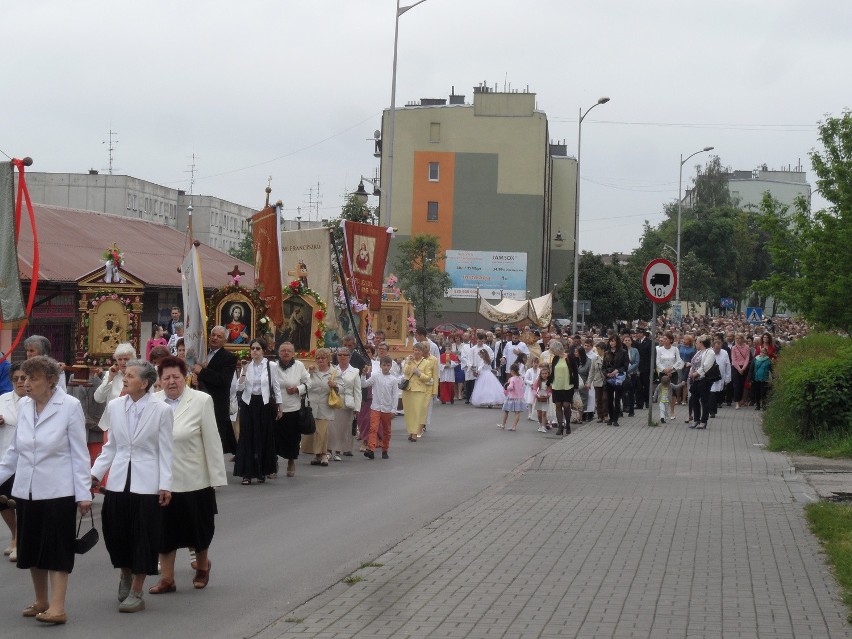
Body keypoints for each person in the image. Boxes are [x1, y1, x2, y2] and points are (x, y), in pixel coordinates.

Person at [0, 356, 91, 625]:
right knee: (31, 548)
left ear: (51, 380)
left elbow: (79, 452)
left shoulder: (69, 406)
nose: (27, 384)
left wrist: (84, 493)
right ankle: (41, 600)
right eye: (25, 378)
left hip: (58, 491)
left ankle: (57, 607)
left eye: (34, 378)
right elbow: (14, 452)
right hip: (27, 490)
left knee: (57, 549)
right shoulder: (25, 407)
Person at [91, 359, 173, 613]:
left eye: (130, 375)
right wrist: (94, 475)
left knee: (143, 536)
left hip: (147, 483)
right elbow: (111, 446)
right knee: (117, 532)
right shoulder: (115, 406)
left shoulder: (161, 410)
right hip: (118, 481)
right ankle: (125, 573)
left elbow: (166, 451)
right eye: (124, 375)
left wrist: (165, 485)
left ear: (145, 383)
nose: (124, 379)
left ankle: (137, 589)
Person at [149, 357, 226, 594]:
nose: (171, 382)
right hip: (163, 481)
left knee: (198, 529)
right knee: (164, 531)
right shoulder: (152, 402)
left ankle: (202, 567)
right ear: (159, 381)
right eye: (166, 378)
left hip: (195, 479)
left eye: (176, 377)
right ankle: (167, 579)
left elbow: (212, 441)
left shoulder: (201, 401)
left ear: (186, 378)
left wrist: (216, 478)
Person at [235, 339, 283, 485]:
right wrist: (243, 371)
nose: (254, 351)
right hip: (248, 403)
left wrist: (280, 406)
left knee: (263, 437)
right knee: (247, 437)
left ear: (263, 350)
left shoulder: (271, 366)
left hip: (264, 404)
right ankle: (247, 473)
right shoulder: (247, 366)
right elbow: (239, 388)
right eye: (252, 348)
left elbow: (276, 386)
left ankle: (262, 471)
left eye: (257, 348)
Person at [194, 326, 238, 455]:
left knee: (215, 444)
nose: (214, 338)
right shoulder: (200, 353)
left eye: (219, 336)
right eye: (213, 334)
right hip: (197, 402)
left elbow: (223, 381)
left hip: (216, 405)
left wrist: (202, 372)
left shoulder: (229, 358)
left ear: (225, 340)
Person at [92, 343, 137, 467]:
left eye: (126, 359)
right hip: (111, 425)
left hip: (133, 425)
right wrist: (110, 379)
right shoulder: (110, 374)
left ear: (133, 359)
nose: (123, 362)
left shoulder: (140, 375)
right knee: (110, 462)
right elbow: (98, 398)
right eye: (120, 359)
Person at [0, 363, 26, 562]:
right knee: (2, 501)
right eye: (16, 378)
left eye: (23, 378)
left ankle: (20, 541)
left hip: (26, 460)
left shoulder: (36, 401)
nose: (20, 382)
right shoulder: (3, 400)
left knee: (22, 502)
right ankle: (16, 533)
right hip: (5, 456)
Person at [272, 341, 310, 477]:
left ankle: (291, 461)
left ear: (293, 353)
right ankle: (273, 465)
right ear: (279, 353)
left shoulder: (299, 366)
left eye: (289, 351)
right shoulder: (273, 366)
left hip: (293, 408)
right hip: (276, 407)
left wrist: (298, 389)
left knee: (292, 438)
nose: (286, 353)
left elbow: (308, 382)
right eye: (283, 351)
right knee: (274, 438)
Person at [360, 356, 400, 459]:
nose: (386, 367)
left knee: (387, 430)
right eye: (384, 365)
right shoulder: (376, 376)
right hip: (376, 407)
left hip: (387, 408)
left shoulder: (393, 380)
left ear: (390, 366)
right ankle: (371, 449)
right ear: (380, 365)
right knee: (373, 428)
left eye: (388, 365)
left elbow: (395, 395)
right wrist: (364, 374)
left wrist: (393, 409)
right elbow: (364, 384)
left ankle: (385, 449)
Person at [328, 347, 361, 458]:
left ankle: (338, 451)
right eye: (340, 355)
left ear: (349, 357)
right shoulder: (332, 370)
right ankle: (329, 450)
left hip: (347, 403)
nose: (342, 357)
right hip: (334, 401)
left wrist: (357, 408)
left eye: (345, 355)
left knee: (343, 428)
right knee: (332, 427)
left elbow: (357, 390)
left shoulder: (355, 371)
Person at [304, 348, 335, 466]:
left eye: (323, 357)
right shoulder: (311, 370)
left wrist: (335, 385)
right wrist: (309, 373)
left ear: (328, 359)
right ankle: (317, 455)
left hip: (326, 404)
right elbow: (304, 383)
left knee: (323, 431)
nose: (320, 360)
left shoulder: (334, 372)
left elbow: (342, 388)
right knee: (315, 431)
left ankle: (324, 455)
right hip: (311, 405)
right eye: (318, 358)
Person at [401, 343, 437, 441]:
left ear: (422, 352)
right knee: (409, 412)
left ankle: (415, 433)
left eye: (419, 350)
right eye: (415, 350)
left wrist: (419, 373)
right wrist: (408, 363)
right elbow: (405, 372)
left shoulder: (426, 363)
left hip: (420, 390)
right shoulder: (409, 360)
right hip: (408, 389)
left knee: (417, 412)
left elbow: (428, 377)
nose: (416, 352)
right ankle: (411, 431)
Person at [547, 340, 579, 435]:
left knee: (566, 405)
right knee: (558, 405)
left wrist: (576, 386)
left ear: (558, 349)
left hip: (568, 385)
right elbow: (552, 372)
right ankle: (560, 427)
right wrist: (548, 382)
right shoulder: (555, 359)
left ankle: (568, 424)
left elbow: (575, 372)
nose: (552, 352)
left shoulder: (569, 357)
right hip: (556, 385)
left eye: (553, 350)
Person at [687, 335, 716, 429]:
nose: (695, 344)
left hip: (704, 379)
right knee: (694, 399)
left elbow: (706, 366)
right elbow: (693, 363)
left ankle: (704, 421)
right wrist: (691, 372)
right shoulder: (698, 352)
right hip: (695, 380)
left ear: (701, 343)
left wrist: (696, 373)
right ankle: (696, 420)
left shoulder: (710, 352)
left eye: (697, 342)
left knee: (704, 400)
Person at [498, 363, 525, 431]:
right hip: (519, 397)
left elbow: (511, 387)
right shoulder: (521, 378)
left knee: (506, 411)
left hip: (511, 397)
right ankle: (514, 426)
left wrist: (507, 387)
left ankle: (503, 424)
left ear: (512, 371)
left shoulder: (512, 379)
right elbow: (522, 386)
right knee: (517, 412)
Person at [709, 338, 731, 418]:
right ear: (713, 346)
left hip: (721, 377)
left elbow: (728, 365)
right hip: (711, 377)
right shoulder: (709, 352)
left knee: (718, 394)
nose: (717, 350)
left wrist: (728, 377)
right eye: (716, 348)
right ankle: (712, 412)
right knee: (712, 394)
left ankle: (715, 408)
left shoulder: (724, 353)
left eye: (719, 348)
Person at [730, 333, 751, 410]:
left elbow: (747, 358)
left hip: (744, 367)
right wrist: (739, 369)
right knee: (736, 385)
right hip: (736, 367)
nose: (738, 340)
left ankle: (741, 399)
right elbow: (733, 359)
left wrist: (743, 368)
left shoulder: (747, 347)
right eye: (737, 338)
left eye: (739, 338)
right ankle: (737, 402)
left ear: (742, 339)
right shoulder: (734, 348)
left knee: (742, 385)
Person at [532, 365, 551, 432]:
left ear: (548, 374)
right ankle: (540, 424)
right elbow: (534, 388)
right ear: (540, 374)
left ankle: (543, 426)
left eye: (546, 373)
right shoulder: (538, 381)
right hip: (539, 397)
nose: (544, 375)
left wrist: (548, 394)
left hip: (545, 398)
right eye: (543, 373)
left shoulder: (549, 382)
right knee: (539, 414)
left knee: (544, 413)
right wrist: (536, 394)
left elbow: (550, 390)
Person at [523, 356, 540, 422]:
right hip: (530, 388)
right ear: (532, 363)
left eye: (537, 363)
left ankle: (534, 414)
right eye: (534, 363)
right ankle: (529, 414)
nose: (535, 364)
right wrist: (531, 383)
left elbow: (540, 379)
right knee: (530, 401)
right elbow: (525, 379)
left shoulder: (539, 370)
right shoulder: (529, 371)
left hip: (537, 388)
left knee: (535, 401)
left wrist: (537, 384)